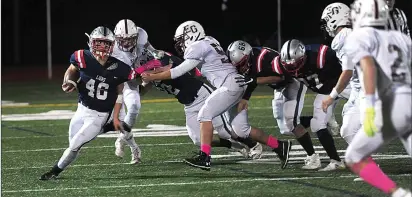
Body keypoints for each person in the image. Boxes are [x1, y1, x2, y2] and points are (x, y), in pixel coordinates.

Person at [141, 20, 292, 171]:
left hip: (229, 85)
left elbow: (178, 71)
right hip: (236, 84)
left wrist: (151, 77)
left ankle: (205, 157)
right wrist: (155, 72)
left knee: (205, 114)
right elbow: (181, 67)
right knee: (241, 130)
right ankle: (280, 146)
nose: (180, 45)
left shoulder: (197, 46)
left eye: (181, 40)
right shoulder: (209, 40)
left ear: (190, 35)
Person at [40, 26, 138, 180]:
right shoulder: (81, 56)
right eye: (98, 43)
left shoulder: (121, 68)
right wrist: (69, 80)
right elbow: (72, 69)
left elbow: (120, 94)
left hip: (98, 115)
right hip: (81, 110)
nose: (102, 48)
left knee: (74, 146)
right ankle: (107, 128)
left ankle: (54, 172)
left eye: (106, 44)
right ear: (91, 42)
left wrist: (117, 116)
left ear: (112, 45)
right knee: (73, 143)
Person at [343, 0, 412, 196]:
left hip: (390, 104)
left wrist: (371, 106)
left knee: (354, 156)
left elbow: (369, 68)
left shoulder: (362, 37)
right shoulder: (400, 38)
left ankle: (400, 194)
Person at [141, 52, 263, 159]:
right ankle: (233, 145)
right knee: (198, 139)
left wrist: (153, 74)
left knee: (225, 132)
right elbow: (142, 90)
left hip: (202, 95)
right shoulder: (149, 76)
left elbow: (173, 68)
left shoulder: (163, 59)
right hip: (189, 105)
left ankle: (254, 145)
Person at [226, 40, 322, 169]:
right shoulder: (251, 60)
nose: (240, 68)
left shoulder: (265, 59)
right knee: (285, 129)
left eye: (242, 64)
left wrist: (255, 82)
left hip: (292, 83)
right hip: (279, 87)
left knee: (291, 121)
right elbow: (252, 79)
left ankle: (313, 157)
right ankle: (319, 120)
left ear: (248, 56)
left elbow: (283, 77)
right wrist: (246, 98)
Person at [278, 39, 350, 171]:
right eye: (288, 65)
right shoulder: (285, 65)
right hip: (326, 93)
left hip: (346, 86)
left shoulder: (322, 55)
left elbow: (347, 66)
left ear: (303, 56)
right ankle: (336, 161)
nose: (293, 68)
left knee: (361, 118)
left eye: (295, 63)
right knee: (317, 123)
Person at [111, 19, 164, 164]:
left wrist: (155, 54)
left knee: (134, 107)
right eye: (123, 40)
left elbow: (152, 51)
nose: (127, 43)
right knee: (110, 119)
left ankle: (121, 139)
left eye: (130, 39)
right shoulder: (112, 47)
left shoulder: (141, 35)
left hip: (132, 79)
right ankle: (134, 148)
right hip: (116, 80)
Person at [320, 2, 362, 145]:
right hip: (359, 91)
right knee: (348, 131)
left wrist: (331, 97)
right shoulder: (350, 35)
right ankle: (371, 168)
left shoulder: (347, 37)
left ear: (334, 19)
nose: (325, 27)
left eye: (326, 22)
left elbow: (348, 72)